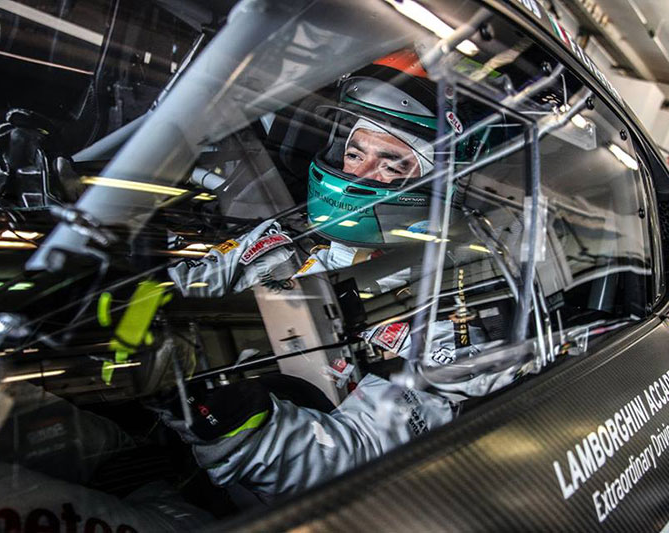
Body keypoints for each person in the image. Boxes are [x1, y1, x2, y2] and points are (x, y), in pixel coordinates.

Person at [162, 49, 515, 501]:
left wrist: (241, 428)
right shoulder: (283, 234)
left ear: (439, 183)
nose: (358, 173)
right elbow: (184, 286)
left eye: (392, 163)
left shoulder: (451, 307)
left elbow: (367, 453)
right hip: (159, 456)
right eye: (354, 152)